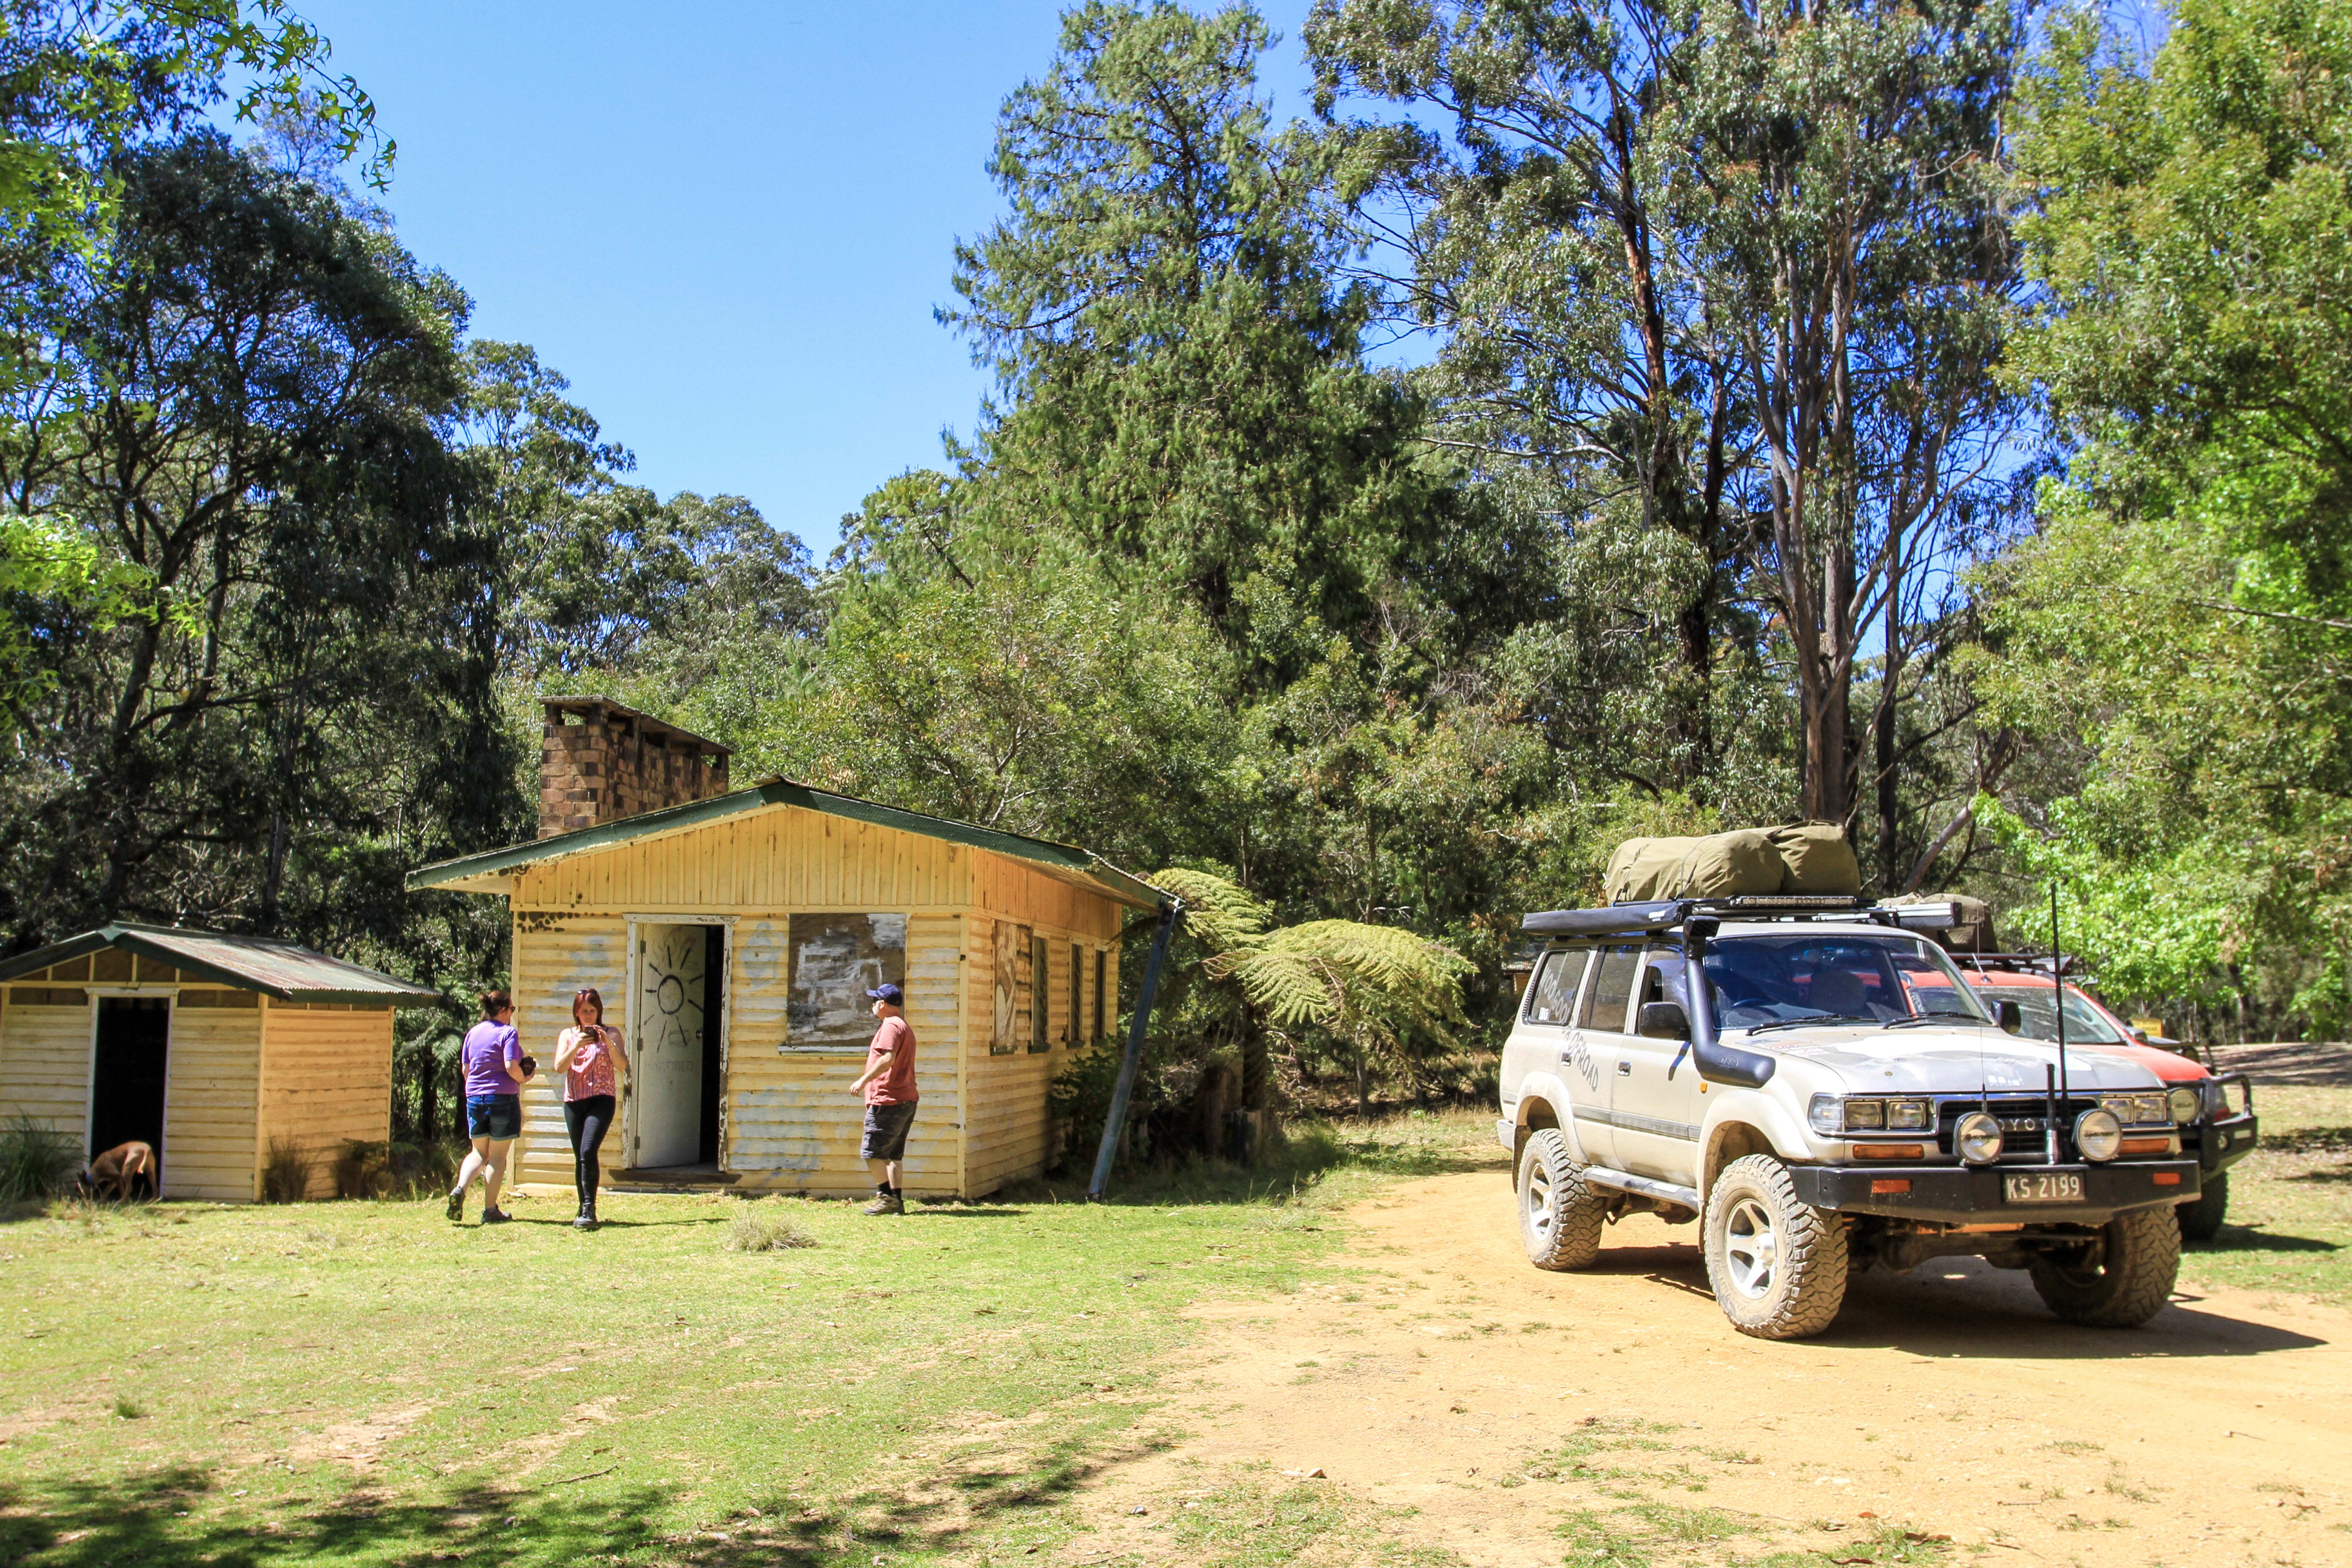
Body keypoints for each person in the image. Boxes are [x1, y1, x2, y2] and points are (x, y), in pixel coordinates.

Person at [447, 988, 530, 1225]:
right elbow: (510, 1066)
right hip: (502, 1099)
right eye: (511, 1009)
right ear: (503, 1011)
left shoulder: (473, 1033)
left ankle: (460, 1190)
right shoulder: (508, 1033)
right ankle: (490, 1210)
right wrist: (523, 1078)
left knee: (478, 1153)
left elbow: (466, 1070)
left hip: (475, 1098)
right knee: (497, 1157)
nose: (512, 1013)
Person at [552, 987, 628, 1232]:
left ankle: (589, 1208)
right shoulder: (568, 1035)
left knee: (588, 1149)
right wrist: (576, 1046)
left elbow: (622, 1065)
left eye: (593, 1010)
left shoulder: (611, 1033)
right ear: (576, 1012)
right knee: (581, 1156)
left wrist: (606, 1041)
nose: (588, 1015)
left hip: (602, 1099)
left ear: (599, 1012)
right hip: (574, 1100)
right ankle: (583, 1206)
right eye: (584, 1010)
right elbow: (559, 1067)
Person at [849, 983, 916, 1215]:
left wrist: (863, 1081)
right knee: (894, 1155)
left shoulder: (890, 1027)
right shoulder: (903, 1026)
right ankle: (896, 1200)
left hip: (888, 1099)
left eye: (874, 1001)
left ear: (882, 1004)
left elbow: (888, 1058)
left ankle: (886, 1197)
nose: (872, 1006)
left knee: (872, 1153)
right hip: (906, 1099)